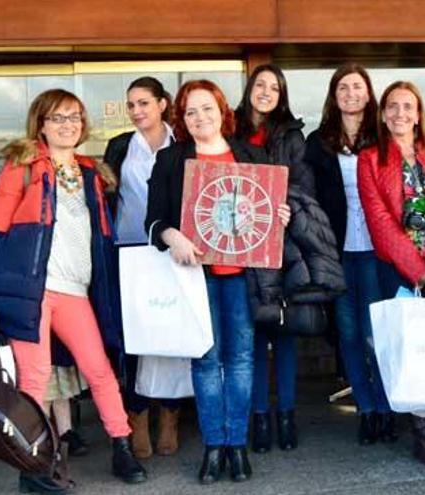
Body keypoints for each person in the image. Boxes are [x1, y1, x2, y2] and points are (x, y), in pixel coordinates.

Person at [0, 89, 146, 493]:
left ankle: (122, 446)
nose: (68, 125)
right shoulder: (23, 166)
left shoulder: (91, 174)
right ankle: (32, 469)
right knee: (34, 378)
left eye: (75, 117)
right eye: (59, 118)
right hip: (33, 290)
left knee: (99, 369)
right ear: (41, 125)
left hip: (75, 291)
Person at [145, 79, 294, 483]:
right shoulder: (172, 160)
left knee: (243, 360)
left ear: (222, 111)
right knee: (207, 361)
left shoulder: (250, 154)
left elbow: (268, 210)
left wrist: (279, 218)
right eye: (190, 111)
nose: (199, 118)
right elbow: (153, 221)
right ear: (182, 118)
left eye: (207, 108)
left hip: (243, 279)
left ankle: (236, 446)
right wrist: (170, 234)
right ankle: (214, 447)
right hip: (197, 278)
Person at [358, 80, 425, 467]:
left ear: (419, 113)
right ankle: (424, 434)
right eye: (393, 106)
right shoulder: (370, 159)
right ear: (383, 114)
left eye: (408, 106)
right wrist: (418, 272)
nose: (400, 113)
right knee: (415, 348)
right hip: (400, 271)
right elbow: (380, 220)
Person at [305, 63, 396, 445]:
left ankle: (388, 407)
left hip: (378, 249)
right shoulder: (318, 141)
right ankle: (366, 409)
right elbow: (309, 198)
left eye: (357, 86)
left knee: (378, 332)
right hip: (338, 251)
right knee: (349, 334)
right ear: (334, 95)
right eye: (343, 87)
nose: (351, 93)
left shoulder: (386, 136)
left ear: (368, 92)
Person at [233, 64, 313, 453]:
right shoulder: (230, 129)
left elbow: (302, 185)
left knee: (284, 332)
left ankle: (287, 414)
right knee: (252, 334)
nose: (266, 92)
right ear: (249, 88)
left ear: (282, 96)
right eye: (260, 85)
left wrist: (290, 209)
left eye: (274, 88)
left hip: (280, 243)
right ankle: (259, 417)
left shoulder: (292, 135)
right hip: (238, 242)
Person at [103, 76, 182, 458]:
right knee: (134, 338)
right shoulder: (120, 146)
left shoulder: (182, 145)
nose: (136, 111)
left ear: (162, 104)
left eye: (144, 103)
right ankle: (136, 417)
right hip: (129, 250)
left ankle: (169, 416)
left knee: (171, 334)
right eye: (131, 105)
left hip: (171, 250)